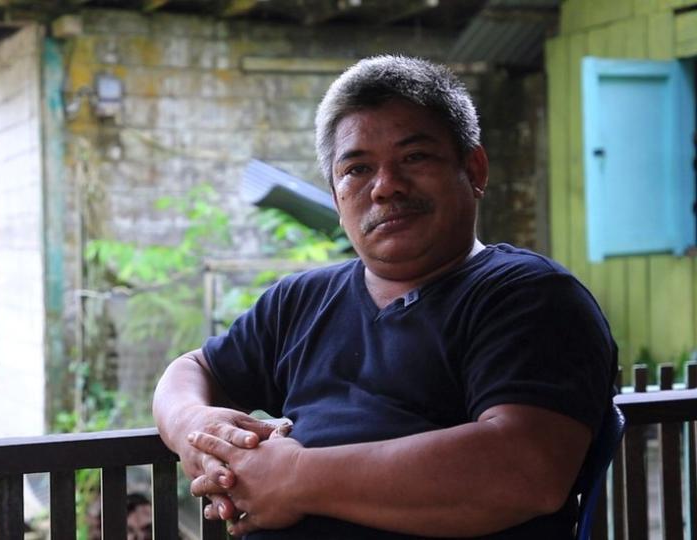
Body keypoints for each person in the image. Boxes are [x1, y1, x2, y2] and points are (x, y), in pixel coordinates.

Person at [152, 55, 617, 539]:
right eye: (357, 169)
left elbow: (523, 470)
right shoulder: (301, 301)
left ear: (473, 168)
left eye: (414, 157)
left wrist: (295, 478)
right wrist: (192, 425)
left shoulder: (529, 297)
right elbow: (193, 369)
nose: (385, 186)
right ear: (336, 199)